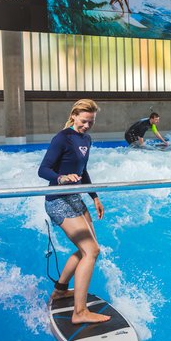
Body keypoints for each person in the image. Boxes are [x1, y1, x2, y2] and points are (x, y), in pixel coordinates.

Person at [38, 99, 109, 324]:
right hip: (58, 200)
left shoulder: (86, 139)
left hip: (75, 198)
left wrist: (95, 196)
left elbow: (82, 170)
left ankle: (60, 290)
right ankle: (79, 313)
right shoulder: (63, 138)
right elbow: (43, 169)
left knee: (86, 250)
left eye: (91, 122)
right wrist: (60, 178)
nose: (87, 126)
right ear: (74, 116)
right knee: (91, 251)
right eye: (84, 121)